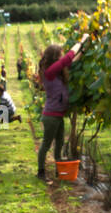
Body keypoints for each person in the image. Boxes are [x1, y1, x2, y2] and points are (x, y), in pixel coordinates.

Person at [36, 34, 88, 179]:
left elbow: (70, 62)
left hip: (57, 115)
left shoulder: (57, 72)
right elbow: (68, 59)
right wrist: (81, 41)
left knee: (59, 144)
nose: (63, 56)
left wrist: (82, 52)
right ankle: (41, 172)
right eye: (60, 54)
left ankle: (60, 172)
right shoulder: (50, 72)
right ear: (55, 57)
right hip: (51, 116)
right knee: (46, 144)